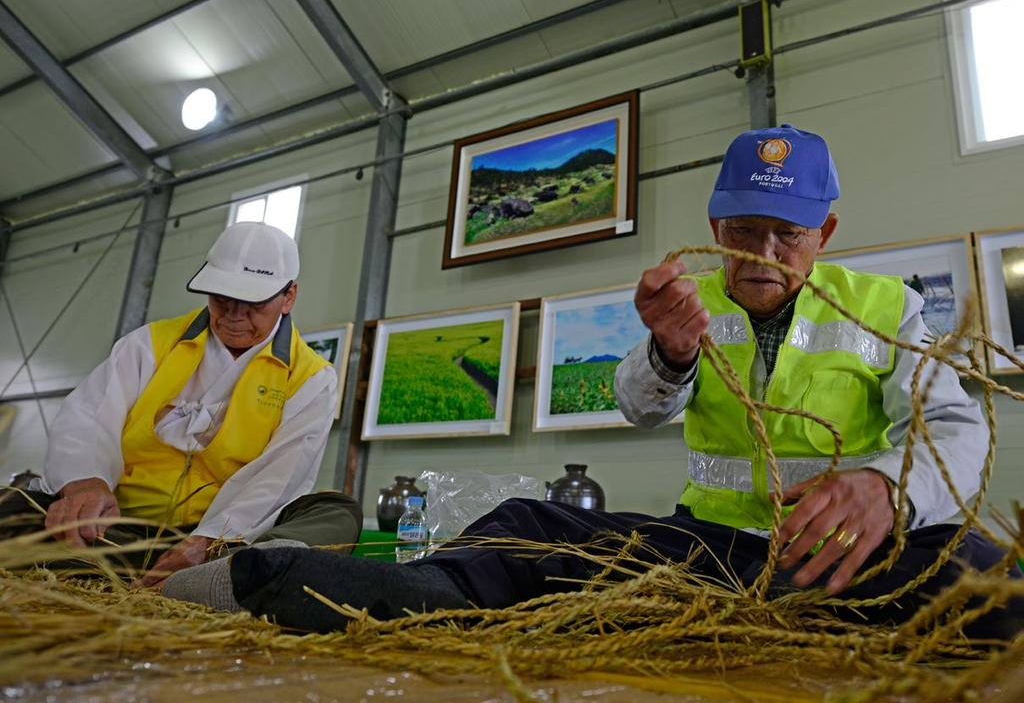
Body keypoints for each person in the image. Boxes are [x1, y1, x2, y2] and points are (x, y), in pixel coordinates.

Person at [160, 127, 1021, 638]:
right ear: (716, 222)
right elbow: (638, 407)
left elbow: (956, 428)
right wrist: (669, 353)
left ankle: (815, 613)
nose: (760, 254)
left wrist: (884, 491)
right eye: (744, 230)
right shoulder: (687, 297)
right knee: (538, 530)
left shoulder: (890, 309)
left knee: (985, 575)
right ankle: (302, 582)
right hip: (712, 553)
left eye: (786, 236)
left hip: (844, 560)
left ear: (824, 231)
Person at [0, 222, 361, 588]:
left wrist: (207, 542)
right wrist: (86, 487)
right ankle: (205, 584)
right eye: (221, 298)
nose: (234, 314)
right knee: (12, 505)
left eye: (253, 303)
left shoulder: (312, 378)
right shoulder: (150, 344)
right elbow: (89, 419)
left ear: (289, 297)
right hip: (120, 530)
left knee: (337, 512)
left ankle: (215, 576)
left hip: (223, 544)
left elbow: (279, 478)